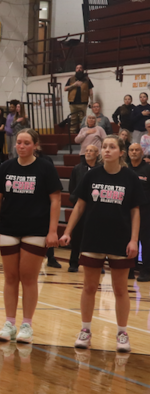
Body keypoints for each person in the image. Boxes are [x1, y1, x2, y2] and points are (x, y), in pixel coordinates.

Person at [60, 134, 138, 353]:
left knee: (121, 289)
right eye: (104, 147)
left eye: (112, 147)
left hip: (120, 240)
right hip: (93, 237)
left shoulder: (130, 178)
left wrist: (133, 239)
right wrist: (67, 232)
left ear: (121, 152)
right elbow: (79, 206)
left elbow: (135, 211)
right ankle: (85, 330)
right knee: (89, 286)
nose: (106, 150)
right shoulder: (91, 175)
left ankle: (122, 332)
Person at [0, 129, 61, 344]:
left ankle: (27, 324)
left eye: (26, 143)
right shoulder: (5, 167)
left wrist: (53, 230)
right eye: (18, 142)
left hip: (36, 230)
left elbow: (55, 200)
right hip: (9, 228)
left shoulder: (45, 168)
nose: (21, 146)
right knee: (10, 278)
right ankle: (10, 323)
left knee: (28, 278)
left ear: (35, 145)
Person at [67, 144, 100, 273]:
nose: (88, 153)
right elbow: (72, 187)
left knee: (95, 236)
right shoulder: (77, 168)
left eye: (91, 151)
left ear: (97, 154)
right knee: (77, 236)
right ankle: (74, 262)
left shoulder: (100, 169)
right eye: (86, 151)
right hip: (80, 207)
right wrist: (75, 201)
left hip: (95, 209)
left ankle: (97, 264)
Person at [128, 143, 150, 282]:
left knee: (146, 241)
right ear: (127, 152)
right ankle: (129, 269)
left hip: (145, 210)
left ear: (142, 152)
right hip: (127, 211)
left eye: (137, 150)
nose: (134, 152)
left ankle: (145, 271)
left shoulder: (148, 169)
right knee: (128, 239)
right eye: (131, 150)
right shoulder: (124, 169)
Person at [65, 64, 94, 135]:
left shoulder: (87, 79)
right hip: (72, 102)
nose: (79, 69)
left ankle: (83, 133)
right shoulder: (71, 79)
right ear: (75, 70)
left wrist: (91, 102)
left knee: (83, 119)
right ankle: (72, 134)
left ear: (82, 70)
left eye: (80, 68)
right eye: (77, 68)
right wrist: (74, 85)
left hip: (83, 102)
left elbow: (90, 91)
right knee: (73, 118)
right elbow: (65, 89)